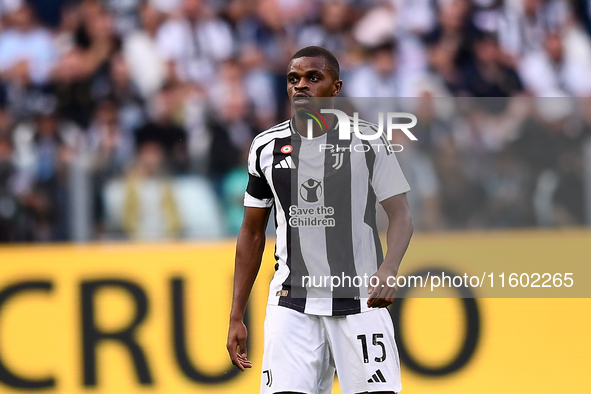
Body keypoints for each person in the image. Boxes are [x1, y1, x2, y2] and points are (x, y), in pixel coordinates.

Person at [226, 46, 413, 394]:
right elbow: (251, 233)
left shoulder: (369, 140)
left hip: (360, 301)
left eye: (313, 78)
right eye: (294, 79)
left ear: (335, 88)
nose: (301, 86)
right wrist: (237, 314)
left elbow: (400, 213)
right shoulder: (266, 146)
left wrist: (388, 268)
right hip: (291, 303)